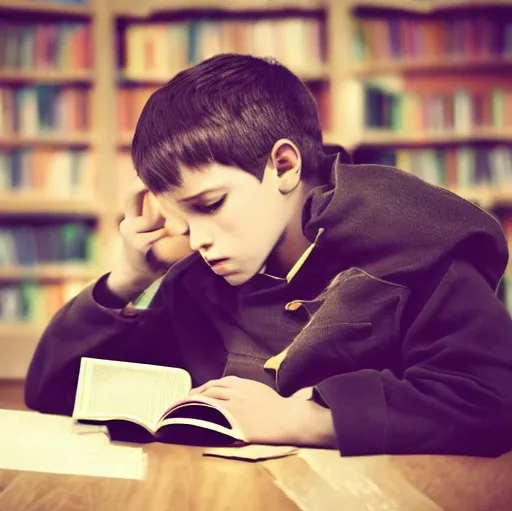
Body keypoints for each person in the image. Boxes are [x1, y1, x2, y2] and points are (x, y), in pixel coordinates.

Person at [25, 54, 512, 457]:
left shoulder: (419, 244)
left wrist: (303, 419)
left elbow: (491, 402)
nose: (197, 240)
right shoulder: (196, 284)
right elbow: (54, 391)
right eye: (183, 220)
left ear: (283, 165)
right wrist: (125, 280)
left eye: (211, 205)